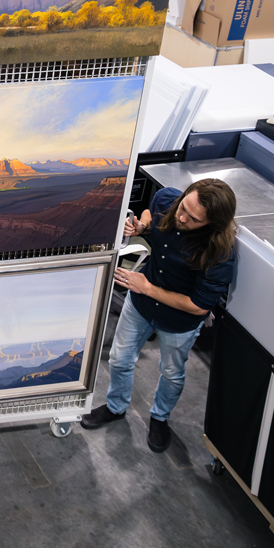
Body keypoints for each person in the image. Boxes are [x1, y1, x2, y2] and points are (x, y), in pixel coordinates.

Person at [80, 178, 237, 452]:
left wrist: (148, 288)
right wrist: (142, 226)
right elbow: (152, 213)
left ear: (211, 224)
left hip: (178, 321)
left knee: (172, 373)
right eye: (184, 206)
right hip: (140, 304)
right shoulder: (168, 200)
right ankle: (116, 408)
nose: (182, 217)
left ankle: (159, 419)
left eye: (193, 218)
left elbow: (199, 305)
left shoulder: (219, 252)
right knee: (118, 359)